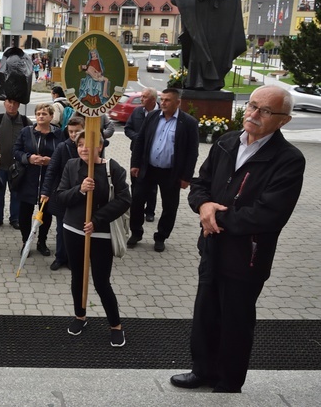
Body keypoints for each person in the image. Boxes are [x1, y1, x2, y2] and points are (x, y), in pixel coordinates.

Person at [171, 85, 305, 393]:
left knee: (235, 323)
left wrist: (215, 218)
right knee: (205, 314)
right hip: (212, 247)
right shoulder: (226, 142)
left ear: (284, 120)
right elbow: (200, 183)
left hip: (247, 256)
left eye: (266, 111)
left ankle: (229, 382)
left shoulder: (288, 159)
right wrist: (203, 205)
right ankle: (202, 371)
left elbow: (269, 214)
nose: (254, 114)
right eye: (252, 106)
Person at [56, 130, 130, 347]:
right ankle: (80, 316)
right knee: (78, 277)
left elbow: (124, 199)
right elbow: (60, 196)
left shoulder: (112, 168)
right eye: (79, 145)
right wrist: (80, 190)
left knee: (101, 281)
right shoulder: (71, 165)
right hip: (73, 230)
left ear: (100, 146)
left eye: (88, 144)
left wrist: (97, 220)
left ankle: (115, 326)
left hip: (101, 234)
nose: (83, 149)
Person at [128, 88, 199, 252]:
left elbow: (192, 152)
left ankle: (161, 237)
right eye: (162, 99)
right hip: (148, 169)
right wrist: (135, 164)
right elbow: (140, 141)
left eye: (167, 100)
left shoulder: (188, 122)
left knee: (169, 207)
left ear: (178, 102)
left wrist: (186, 177)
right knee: (137, 201)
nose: (163, 103)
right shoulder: (153, 116)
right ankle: (136, 233)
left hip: (171, 172)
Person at [170, 0, 246, 91]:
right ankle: (216, 82)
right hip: (222, 45)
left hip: (199, 45)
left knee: (197, 61)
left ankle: (197, 82)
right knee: (217, 61)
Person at [13, 102, 64, 256]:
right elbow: (16, 150)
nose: (41, 116)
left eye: (44, 114)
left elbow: (63, 153)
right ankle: (26, 242)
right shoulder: (26, 132)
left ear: (51, 116)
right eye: (38, 114)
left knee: (46, 213)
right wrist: (29, 158)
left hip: (48, 180)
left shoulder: (59, 133)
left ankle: (42, 241)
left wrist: (51, 161)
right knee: (25, 213)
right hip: (28, 179)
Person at [41, 116, 84, 270]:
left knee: (78, 229)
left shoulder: (88, 146)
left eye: (77, 131)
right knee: (61, 228)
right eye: (71, 131)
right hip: (62, 194)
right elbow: (51, 170)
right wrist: (45, 191)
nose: (73, 134)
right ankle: (60, 257)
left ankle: (74, 259)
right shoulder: (61, 147)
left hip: (81, 195)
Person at [0, 98, 30, 230]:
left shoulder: (25, 121)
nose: (12, 106)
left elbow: (29, 141)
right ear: (4, 103)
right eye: (9, 102)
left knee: (16, 193)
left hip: (18, 166)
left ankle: (15, 218)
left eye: (15, 103)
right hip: (0, 165)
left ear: (19, 104)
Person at [123, 87, 159, 222]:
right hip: (137, 153)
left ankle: (150, 211)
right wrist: (138, 138)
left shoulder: (161, 113)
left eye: (144, 97)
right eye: (142, 96)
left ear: (153, 100)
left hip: (154, 155)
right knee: (136, 182)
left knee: (152, 186)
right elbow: (127, 128)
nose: (141, 99)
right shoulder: (137, 111)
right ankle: (136, 208)